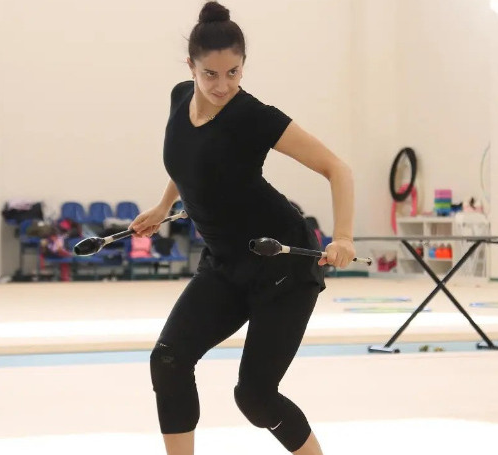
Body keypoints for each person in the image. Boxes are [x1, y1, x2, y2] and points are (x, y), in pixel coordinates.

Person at [128, 2, 356, 454]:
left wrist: (344, 236)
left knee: (255, 396)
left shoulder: (254, 116)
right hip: (225, 264)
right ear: (190, 67)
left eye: (233, 73)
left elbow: (337, 168)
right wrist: (163, 205)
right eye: (210, 74)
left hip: (283, 265)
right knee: (168, 361)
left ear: (243, 65)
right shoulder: (180, 98)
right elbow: (189, 158)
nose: (223, 85)